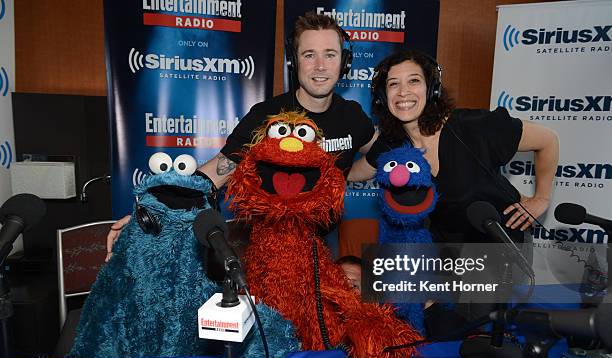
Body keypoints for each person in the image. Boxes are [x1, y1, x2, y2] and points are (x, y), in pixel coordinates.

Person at [106, 12, 377, 260]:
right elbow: (215, 173)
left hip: (324, 243)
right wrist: (155, 209)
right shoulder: (266, 116)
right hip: (273, 248)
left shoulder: (352, 116)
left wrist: (344, 173)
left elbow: (378, 154)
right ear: (294, 61)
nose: (320, 66)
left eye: (330, 54)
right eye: (309, 55)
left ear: (344, 61)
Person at [348, 49, 559, 244]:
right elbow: (353, 173)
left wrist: (541, 198)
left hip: (503, 249)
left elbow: (547, 140)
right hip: (448, 257)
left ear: (432, 90)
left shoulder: (475, 126)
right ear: (384, 97)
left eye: (414, 81)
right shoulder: (392, 144)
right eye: (393, 84)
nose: (403, 92)